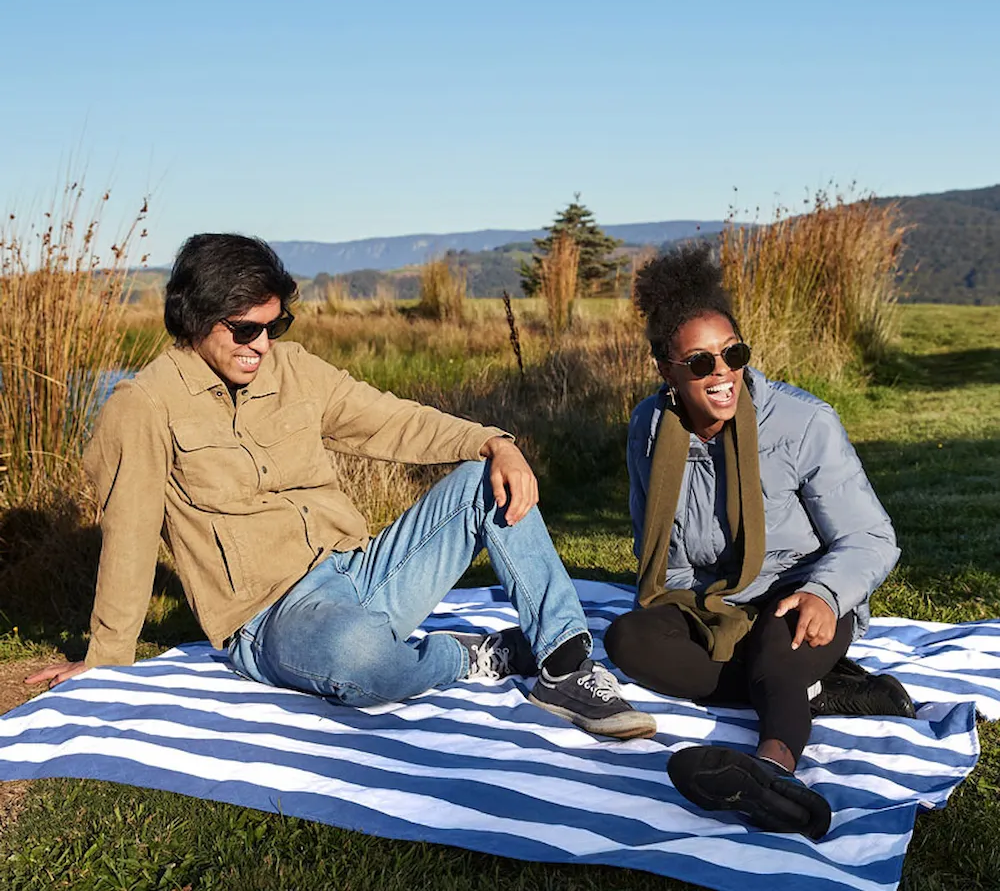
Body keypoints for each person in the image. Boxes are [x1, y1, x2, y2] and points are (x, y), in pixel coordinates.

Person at [28, 233, 655, 741]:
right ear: (196, 318)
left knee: (482, 482)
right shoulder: (143, 406)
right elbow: (130, 533)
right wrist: (107, 657)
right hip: (272, 617)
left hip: (361, 572)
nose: (261, 345)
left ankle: (564, 663)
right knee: (360, 657)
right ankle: (469, 658)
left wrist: (495, 442)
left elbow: (393, 421)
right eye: (245, 329)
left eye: (274, 325)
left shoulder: (294, 369)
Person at [603, 245, 914, 839]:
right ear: (667, 370)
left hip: (798, 593)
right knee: (628, 640)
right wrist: (682, 609)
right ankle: (812, 689)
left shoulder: (802, 422)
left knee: (778, 637)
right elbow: (658, 549)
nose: (722, 372)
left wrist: (826, 594)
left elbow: (871, 536)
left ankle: (773, 772)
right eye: (700, 362)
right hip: (710, 603)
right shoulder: (649, 428)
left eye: (734, 354)